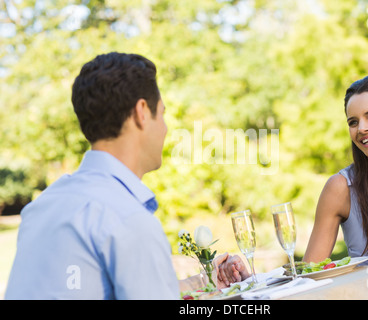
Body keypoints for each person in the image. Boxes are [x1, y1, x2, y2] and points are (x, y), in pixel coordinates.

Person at [5, 52, 228, 300]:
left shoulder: (41, 209)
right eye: (162, 114)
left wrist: (202, 281)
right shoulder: (127, 219)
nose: (165, 128)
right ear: (142, 112)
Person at [218, 75, 368, 299]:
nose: (362, 128)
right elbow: (309, 275)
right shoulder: (340, 188)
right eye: (353, 122)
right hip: (363, 296)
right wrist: (250, 280)